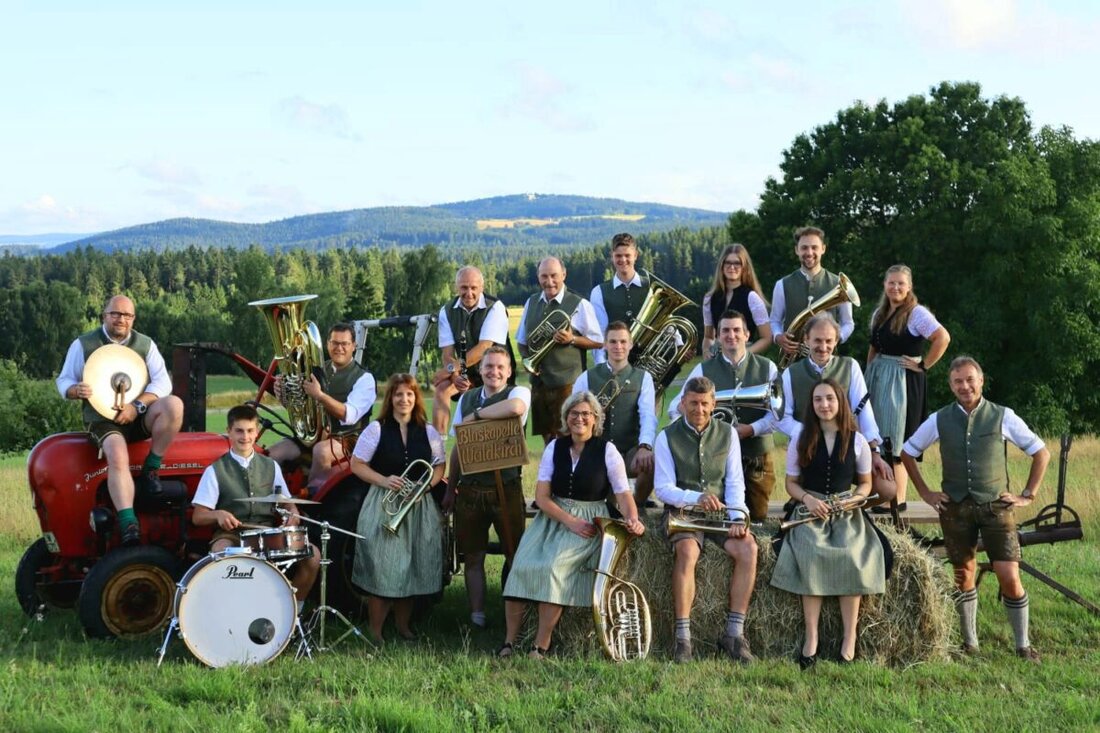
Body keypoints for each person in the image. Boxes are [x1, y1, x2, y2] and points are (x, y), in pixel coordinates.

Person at [901, 357, 1049, 662]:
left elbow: (1041, 452)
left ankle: (1022, 645)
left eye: (970, 379)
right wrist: (926, 493)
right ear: (951, 385)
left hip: (996, 507)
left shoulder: (1003, 415)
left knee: (1009, 574)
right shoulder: (939, 419)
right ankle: (970, 643)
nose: (964, 386)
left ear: (981, 381)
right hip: (955, 509)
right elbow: (907, 452)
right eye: (958, 381)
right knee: (963, 573)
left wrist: (1027, 495)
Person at [498, 391, 644, 659]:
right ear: (566, 418)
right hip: (554, 516)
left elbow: (623, 494)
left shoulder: (607, 450)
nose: (580, 418)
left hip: (591, 519)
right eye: (574, 413)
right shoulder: (554, 447)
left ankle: (540, 645)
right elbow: (542, 497)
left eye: (586, 414)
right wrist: (570, 521)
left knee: (554, 569)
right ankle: (509, 642)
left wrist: (632, 518)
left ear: (595, 419)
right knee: (519, 566)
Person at [771, 380, 891, 668]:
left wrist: (852, 501)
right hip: (809, 509)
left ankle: (849, 638)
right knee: (810, 553)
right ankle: (811, 638)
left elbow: (865, 484)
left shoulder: (857, 440)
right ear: (811, 405)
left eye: (829, 399)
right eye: (817, 399)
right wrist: (808, 500)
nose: (824, 405)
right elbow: (791, 483)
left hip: (845, 510)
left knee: (853, 555)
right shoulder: (800, 438)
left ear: (840, 402)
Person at [56, 294, 184, 546]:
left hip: (136, 415)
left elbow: (163, 382)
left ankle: (151, 469)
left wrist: (137, 407)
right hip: (102, 419)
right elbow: (64, 380)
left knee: (174, 405)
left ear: (133, 318)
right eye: (115, 313)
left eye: (126, 315)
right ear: (104, 316)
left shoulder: (145, 344)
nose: (120, 319)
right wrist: (74, 390)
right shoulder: (83, 344)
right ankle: (128, 523)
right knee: (117, 452)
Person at [654, 376, 757, 664]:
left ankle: (734, 634)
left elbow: (734, 482)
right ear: (682, 403)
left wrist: (737, 517)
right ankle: (682, 639)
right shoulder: (666, 437)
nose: (698, 409)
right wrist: (696, 497)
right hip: (682, 512)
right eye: (693, 403)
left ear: (713, 405)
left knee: (749, 548)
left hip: (720, 512)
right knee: (687, 551)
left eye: (704, 404)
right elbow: (662, 488)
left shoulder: (728, 434)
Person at [192, 404, 320, 609]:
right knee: (221, 551)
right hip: (231, 535)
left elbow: (286, 502)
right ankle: (232, 610)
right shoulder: (215, 470)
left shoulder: (271, 466)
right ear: (229, 432)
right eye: (239, 431)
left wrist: (293, 513)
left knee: (313, 556)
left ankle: (292, 612)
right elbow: (198, 516)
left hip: (267, 534)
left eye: (250, 431)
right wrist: (218, 514)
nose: (245, 437)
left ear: (257, 432)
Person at [350, 374, 446, 643]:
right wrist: (384, 480)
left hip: (417, 505)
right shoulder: (376, 429)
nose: (404, 399)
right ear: (390, 398)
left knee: (412, 567)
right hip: (384, 504)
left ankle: (403, 627)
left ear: (416, 398)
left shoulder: (428, 431)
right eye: (398, 394)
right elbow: (356, 465)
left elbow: (439, 466)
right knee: (382, 569)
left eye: (409, 394)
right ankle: (376, 631)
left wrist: (424, 488)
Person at [442, 346, 532, 629]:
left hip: (505, 487)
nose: (494, 372)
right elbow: (458, 447)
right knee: (473, 555)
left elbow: (516, 409)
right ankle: (477, 616)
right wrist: (450, 488)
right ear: (479, 370)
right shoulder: (466, 398)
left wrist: (477, 417)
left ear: (509, 371)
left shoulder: (519, 392)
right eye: (489, 366)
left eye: (500, 367)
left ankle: (518, 615)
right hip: (470, 489)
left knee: (514, 553)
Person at [669, 311, 779, 521]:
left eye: (737, 330)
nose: (731, 335)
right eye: (725, 330)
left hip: (756, 457)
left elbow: (778, 413)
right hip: (716, 457)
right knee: (718, 518)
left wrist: (751, 429)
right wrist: (703, 417)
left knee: (756, 518)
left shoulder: (767, 367)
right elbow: (675, 407)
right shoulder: (703, 368)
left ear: (747, 334)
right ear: (718, 337)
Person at [777, 314, 897, 504]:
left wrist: (874, 451)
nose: (823, 347)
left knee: (886, 488)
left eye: (828, 341)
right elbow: (782, 418)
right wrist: (810, 433)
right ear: (806, 339)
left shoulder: (850, 366)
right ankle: (807, 499)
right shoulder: (791, 373)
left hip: (844, 449)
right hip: (809, 451)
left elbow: (864, 411)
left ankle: (846, 508)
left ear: (836, 341)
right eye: (817, 340)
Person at [864, 265, 951, 512]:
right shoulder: (880, 313)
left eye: (901, 283)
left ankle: (898, 499)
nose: (896, 287)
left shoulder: (916, 313)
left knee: (895, 440)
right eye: (891, 283)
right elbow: (874, 347)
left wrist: (923, 365)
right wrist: (868, 374)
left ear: (909, 286)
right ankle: (881, 494)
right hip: (879, 378)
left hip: (901, 381)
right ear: (885, 285)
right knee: (876, 436)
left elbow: (942, 337)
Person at [268, 322, 377, 491]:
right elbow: (298, 405)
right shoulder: (315, 369)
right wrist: (283, 394)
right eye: (335, 343)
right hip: (313, 435)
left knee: (322, 451)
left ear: (354, 346)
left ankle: (311, 498)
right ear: (327, 344)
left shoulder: (365, 378)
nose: (339, 348)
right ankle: (272, 498)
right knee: (273, 453)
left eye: (344, 344)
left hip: (347, 438)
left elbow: (349, 415)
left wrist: (319, 396)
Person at [516, 256, 602, 444]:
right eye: (544, 276)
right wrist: (526, 359)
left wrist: (573, 339)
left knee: (569, 438)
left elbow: (598, 341)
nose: (549, 281)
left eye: (554, 275)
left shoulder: (580, 304)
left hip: (568, 384)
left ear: (564, 274)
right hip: (539, 384)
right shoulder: (531, 302)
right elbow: (521, 341)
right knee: (547, 438)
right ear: (538, 277)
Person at [571, 322, 657, 504]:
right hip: (598, 450)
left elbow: (647, 415)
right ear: (604, 344)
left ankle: (637, 505)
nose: (618, 346)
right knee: (608, 503)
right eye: (613, 342)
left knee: (651, 462)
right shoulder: (586, 377)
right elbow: (572, 416)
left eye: (623, 342)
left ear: (631, 344)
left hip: (629, 450)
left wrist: (645, 446)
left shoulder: (644, 377)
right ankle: (610, 505)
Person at [430, 266, 512, 433]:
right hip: (467, 373)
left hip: (495, 372)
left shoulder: (495, 307)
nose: (469, 293)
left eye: (474, 288)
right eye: (464, 287)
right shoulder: (446, 311)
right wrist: (454, 375)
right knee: (442, 389)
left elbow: (483, 348)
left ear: (482, 287)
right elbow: (447, 353)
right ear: (456, 287)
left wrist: (450, 369)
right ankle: (438, 443)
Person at [771, 226, 855, 362]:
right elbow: (775, 320)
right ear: (797, 250)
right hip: (793, 362)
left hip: (826, 361)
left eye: (814, 247)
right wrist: (778, 337)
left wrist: (835, 339)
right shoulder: (782, 284)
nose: (809, 253)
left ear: (823, 249)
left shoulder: (839, 284)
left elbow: (848, 323)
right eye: (804, 248)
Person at [589, 233, 651, 364]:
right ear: (612, 256)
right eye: (618, 256)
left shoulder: (651, 287)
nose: (623, 260)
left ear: (636, 255)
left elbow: (666, 320)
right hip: (615, 364)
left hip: (650, 359)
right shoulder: (599, 292)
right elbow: (600, 335)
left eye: (627, 255)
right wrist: (601, 366)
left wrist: (679, 345)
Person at [702, 244, 772, 356]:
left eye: (737, 263)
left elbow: (767, 338)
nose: (732, 267)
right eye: (728, 262)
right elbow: (708, 337)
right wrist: (706, 352)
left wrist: (743, 355)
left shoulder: (752, 298)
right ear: (722, 266)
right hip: (718, 358)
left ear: (744, 267)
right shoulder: (709, 298)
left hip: (744, 359)